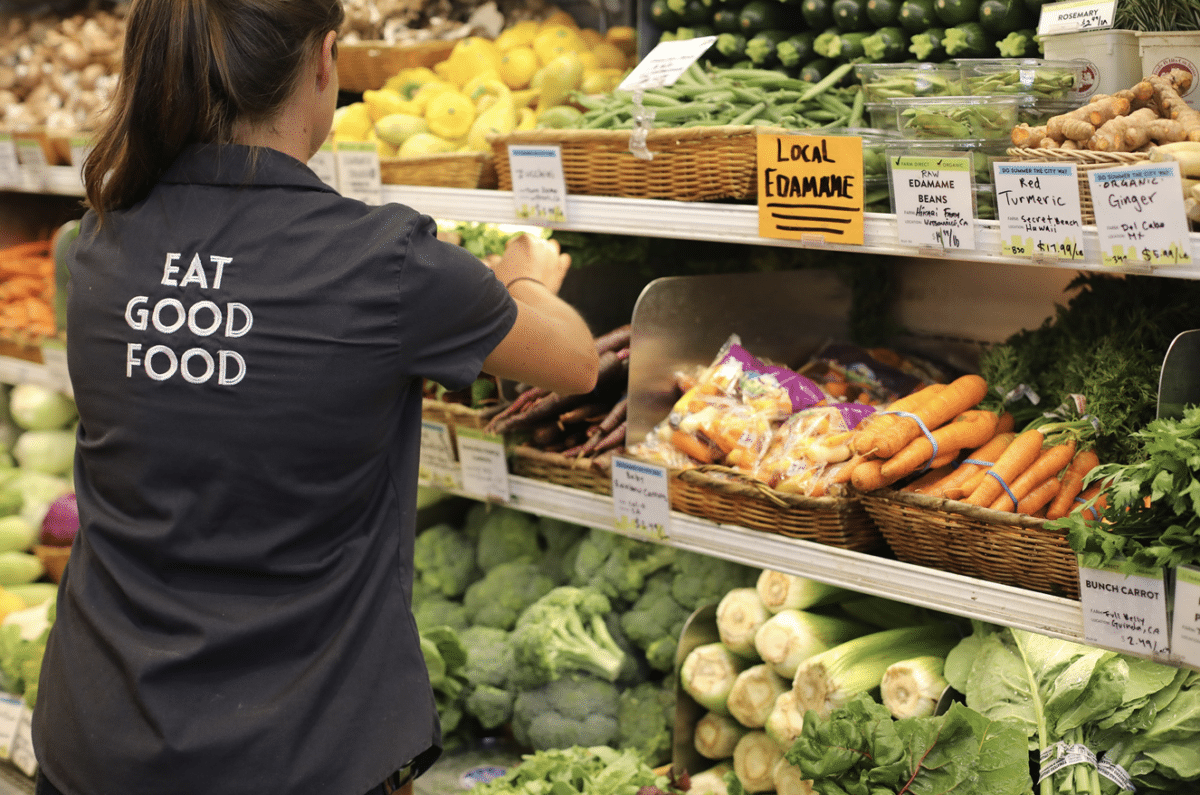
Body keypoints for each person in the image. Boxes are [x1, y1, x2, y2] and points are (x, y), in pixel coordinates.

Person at [31, 1, 600, 794]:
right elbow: (575, 362)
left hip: (98, 735)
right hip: (296, 749)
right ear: (326, 60)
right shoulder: (385, 261)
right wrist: (526, 278)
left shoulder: (96, 242)